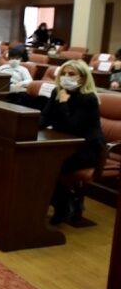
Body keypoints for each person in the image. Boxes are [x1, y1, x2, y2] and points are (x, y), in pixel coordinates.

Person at [39, 59, 104, 225]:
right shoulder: (57, 91)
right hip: (63, 144)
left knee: (51, 166)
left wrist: (63, 103)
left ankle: (63, 206)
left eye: (71, 74)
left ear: (82, 78)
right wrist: (28, 128)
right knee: (38, 161)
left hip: (86, 148)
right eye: (64, 73)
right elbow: (46, 116)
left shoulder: (88, 98)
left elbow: (73, 126)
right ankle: (62, 201)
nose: (66, 77)